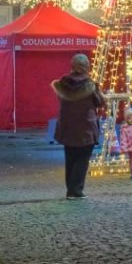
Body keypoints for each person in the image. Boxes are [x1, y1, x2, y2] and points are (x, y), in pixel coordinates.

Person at [52, 53, 105, 200]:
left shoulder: (62, 84)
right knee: (82, 159)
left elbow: (60, 100)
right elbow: (100, 102)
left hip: (67, 126)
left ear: (72, 66)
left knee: (70, 158)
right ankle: (77, 190)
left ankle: (70, 190)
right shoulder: (90, 85)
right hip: (85, 128)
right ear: (86, 67)